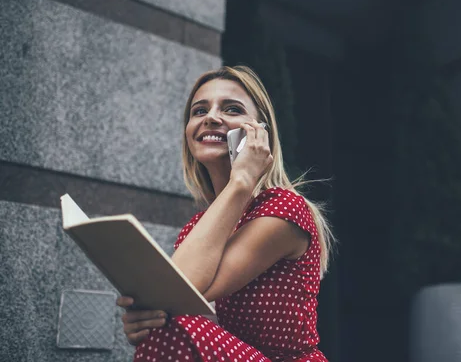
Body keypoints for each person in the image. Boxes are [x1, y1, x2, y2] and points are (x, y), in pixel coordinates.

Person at [116, 66, 334, 361]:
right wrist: (148, 321)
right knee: (166, 330)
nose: (212, 117)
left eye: (231, 109)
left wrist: (242, 180)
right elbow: (174, 306)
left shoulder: (283, 209)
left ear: (260, 133)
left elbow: (175, 291)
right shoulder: (198, 227)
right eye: (199, 110)